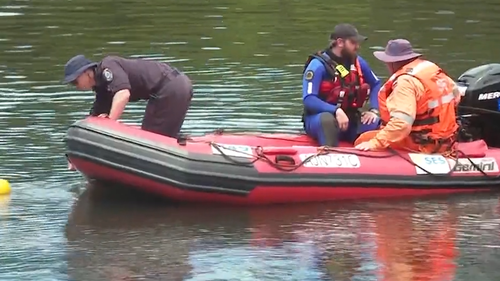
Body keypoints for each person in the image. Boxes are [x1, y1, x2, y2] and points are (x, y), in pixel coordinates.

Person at [64, 55, 193, 170]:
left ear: (87, 72)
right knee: (154, 140)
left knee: (151, 145)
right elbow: (92, 121)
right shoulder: (102, 88)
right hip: (170, 89)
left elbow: (123, 93)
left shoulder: (108, 67)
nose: (75, 86)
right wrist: (74, 155)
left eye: (75, 81)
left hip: (171, 87)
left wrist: (109, 125)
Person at [354, 39, 461, 153]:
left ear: (392, 62)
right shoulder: (431, 69)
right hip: (447, 139)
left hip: (423, 143)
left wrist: (374, 143)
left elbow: (401, 124)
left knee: (363, 140)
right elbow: (457, 96)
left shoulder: (405, 82)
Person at [302, 23, 382, 147]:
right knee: (327, 120)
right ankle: (329, 152)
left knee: (374, 122)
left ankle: (367, 155)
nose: (358, 46)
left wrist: (374, 110)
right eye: (353, 43)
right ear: (340, 42)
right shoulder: (317, 65)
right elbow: (309, 99)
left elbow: (376, 84)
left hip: (350, 119)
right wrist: (336, 110)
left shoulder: (358, 62)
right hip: (319, 119)